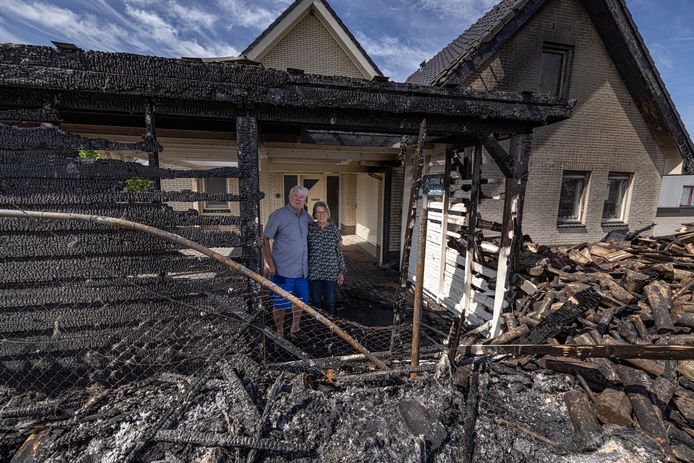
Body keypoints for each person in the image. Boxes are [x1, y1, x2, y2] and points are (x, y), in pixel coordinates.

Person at [262, 185, 311, 338]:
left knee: (300, 302)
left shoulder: (306, 217)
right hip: (282, 270)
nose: (298, 199)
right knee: (280, 304)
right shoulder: (278, 215)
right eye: (295, 196)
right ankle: (280, 332)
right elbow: (264, 239)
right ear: (289, 198)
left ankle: (295, 328)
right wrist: (269, 263)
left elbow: (317, 233)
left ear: (305, 200)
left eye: (301, 197)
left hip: (302, 271)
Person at [308, 201, 346, 315]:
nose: (321, 215)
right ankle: (316, 326)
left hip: (331, 272)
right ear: (314, 214)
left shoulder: (334, 230)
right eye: (318, 212)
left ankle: (329, 327)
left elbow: (339, 252)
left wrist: (341, 272)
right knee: (315, 301)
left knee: (329, 302)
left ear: (327, 213)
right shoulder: (310, 229)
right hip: (314, 271)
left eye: (324, 212)